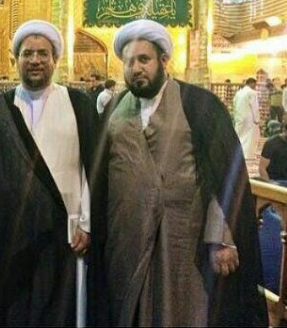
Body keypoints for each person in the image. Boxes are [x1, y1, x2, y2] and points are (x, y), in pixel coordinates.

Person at [89, 19, 267, 326]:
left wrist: (222, 236)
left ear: (163, 61)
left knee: (182, 309)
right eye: (129, 62)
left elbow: (224, 174)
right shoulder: (115, 109)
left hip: (182, 235)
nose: (136, 68)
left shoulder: (198, 105)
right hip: (127, 237)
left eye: (144, 59)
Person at [0, 20, 99, 326]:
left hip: (64, 231)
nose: (35, 60)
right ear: (16, 60)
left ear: (55, 59)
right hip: (9, 231)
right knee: (14, 311)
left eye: (43, 53)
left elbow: (94, 168)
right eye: (27, 53)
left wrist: (88, 223)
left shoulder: (78, 104)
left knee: (59, 311)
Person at [233, 77, 260, 160]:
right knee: (249, 137)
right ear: (252, 83)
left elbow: (234, 103)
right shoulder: (252, 93)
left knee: (239, 135)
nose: (255, 86)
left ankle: (237, 153)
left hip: (239, 116)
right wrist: (257, 119)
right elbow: (254, 107)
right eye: (255, 84)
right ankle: (248, 155)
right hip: (249, 118)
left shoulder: (239, 92)